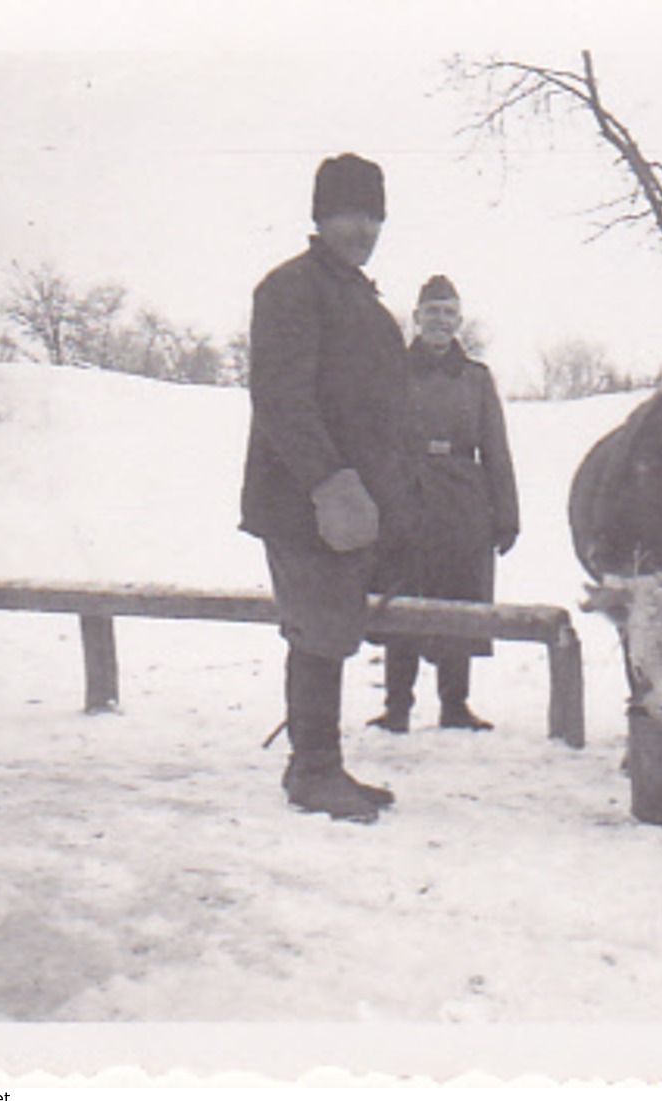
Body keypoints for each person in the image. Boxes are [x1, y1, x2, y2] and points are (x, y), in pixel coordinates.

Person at [240, 152, 415, 823]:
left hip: (355, 502)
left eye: (373, 215)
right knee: (318, 629)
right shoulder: (290, 287)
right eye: (349, 213)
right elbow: (280, 397)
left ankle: (320, 762)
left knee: (333, 628)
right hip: (305, 500)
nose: (363, 228)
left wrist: (394, 496)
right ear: (320, 215)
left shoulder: (363, 303)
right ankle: (312, 770)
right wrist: (328, 483)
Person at [368, 274, 519, 734]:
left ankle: (455, 704)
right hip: (404, 497)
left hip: (462, 501)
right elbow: (373, 439)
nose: (440, 321)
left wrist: (506, 515)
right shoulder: (391, 370)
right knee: (401, 595)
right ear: (415, 318)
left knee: (459, 596)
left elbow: (496, 447)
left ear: (459, 322)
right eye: (432, 312)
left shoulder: (476, 379)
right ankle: (397, 706)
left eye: (449, 313)